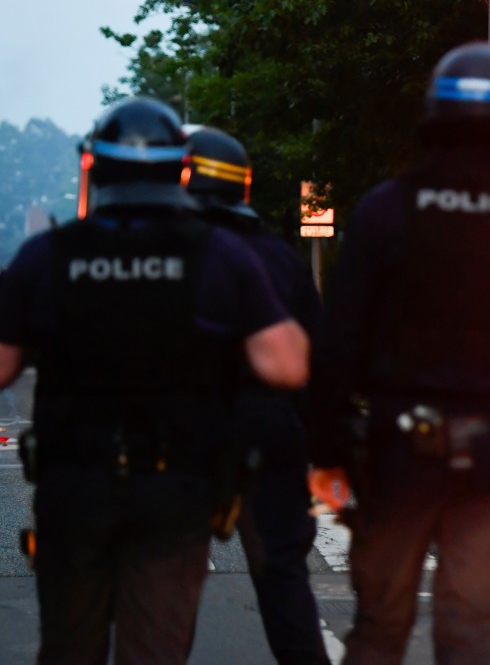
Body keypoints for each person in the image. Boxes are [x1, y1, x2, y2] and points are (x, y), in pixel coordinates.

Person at [0, 97, 309, 665]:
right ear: (181, 170)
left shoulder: (49, 256)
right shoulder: (220, 255)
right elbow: (287, 364)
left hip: (75, 488)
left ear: (93, 167)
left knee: (69, 647)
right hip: (177, 489)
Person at [309, 42, 490, 664]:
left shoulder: (388, 207)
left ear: (433, 110)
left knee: (379, 628)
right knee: (467, 633)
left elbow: (339, 340)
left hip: (397, 451)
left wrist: (326, 449)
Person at [184, 126, 330, 665]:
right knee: (283, 582)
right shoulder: (280, 259)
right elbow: (318, 366)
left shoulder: (167, 255)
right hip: (270, 442)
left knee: (166, 595)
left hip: (185, 447)